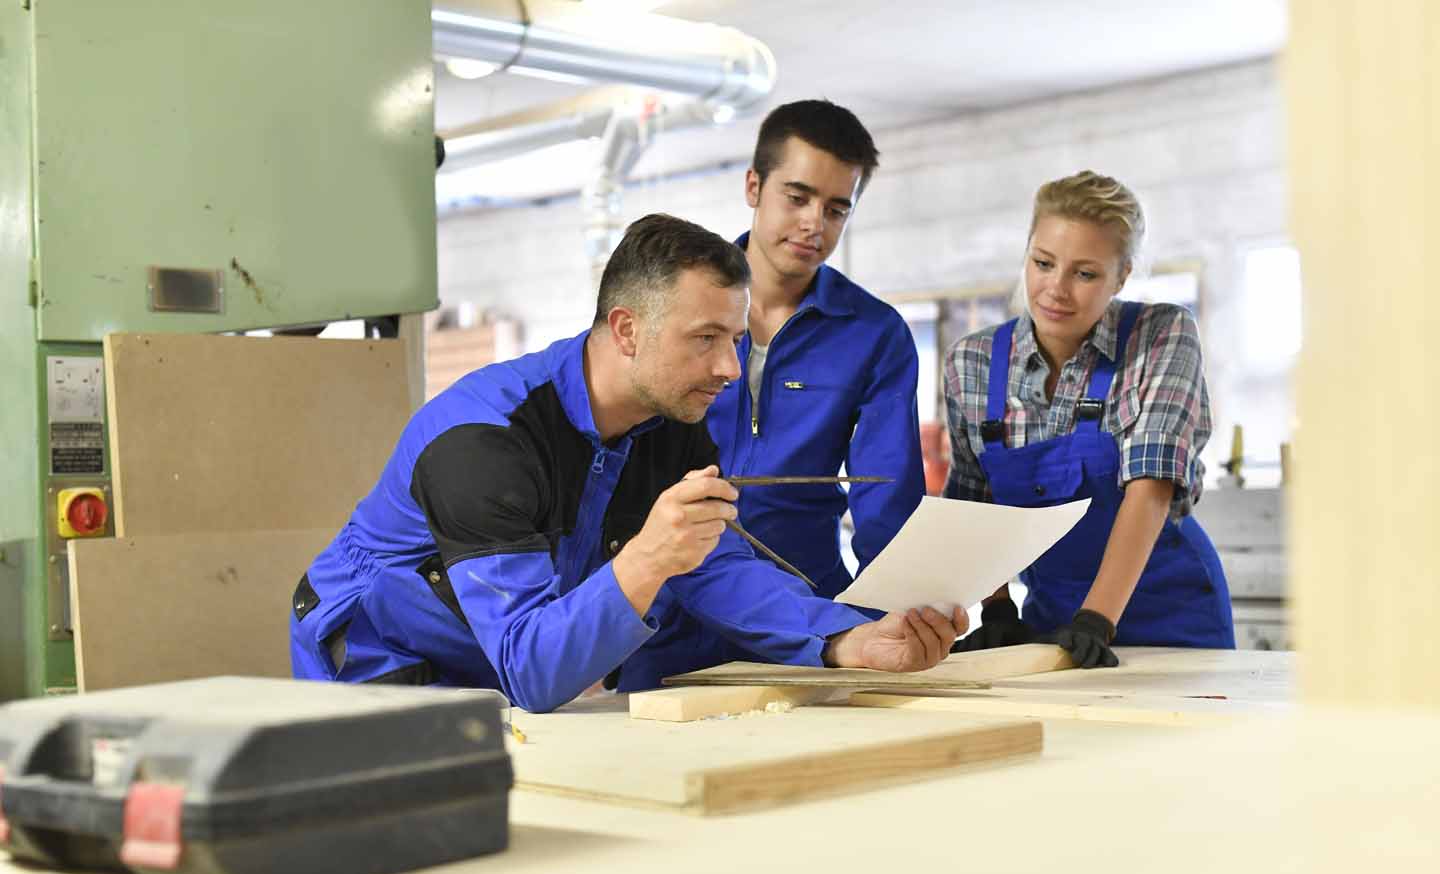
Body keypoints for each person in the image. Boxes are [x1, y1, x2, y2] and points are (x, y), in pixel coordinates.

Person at [290, 214, 966, 712]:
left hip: (487, 663)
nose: (730, 369)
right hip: (375, 664)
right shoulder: (482, 441)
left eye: (735, 340)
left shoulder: (670, 423)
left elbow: (718, 567)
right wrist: (647, 557)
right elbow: (530, 669)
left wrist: (847, 641)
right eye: (705, 339)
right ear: (626, 330)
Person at [942, 171, 1233, 668]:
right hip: (1055, 621)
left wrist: (1096, 619)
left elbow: (1152, 487)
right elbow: (977, 500)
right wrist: (997, 609)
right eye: (1042, 263)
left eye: (1085, 273)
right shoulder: (973, 361)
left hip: (1174, 617)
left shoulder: (1162, 335)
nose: (1055, 289)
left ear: (1121, 277)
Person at [706, 100, 925, 599]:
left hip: (805, 605)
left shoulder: (874, 334)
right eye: (798, 198)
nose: (814, 224)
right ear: (753, 187)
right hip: (672, 609)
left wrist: (888, 615)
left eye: (835, 209)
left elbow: (887, 495)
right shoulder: (677, 305)